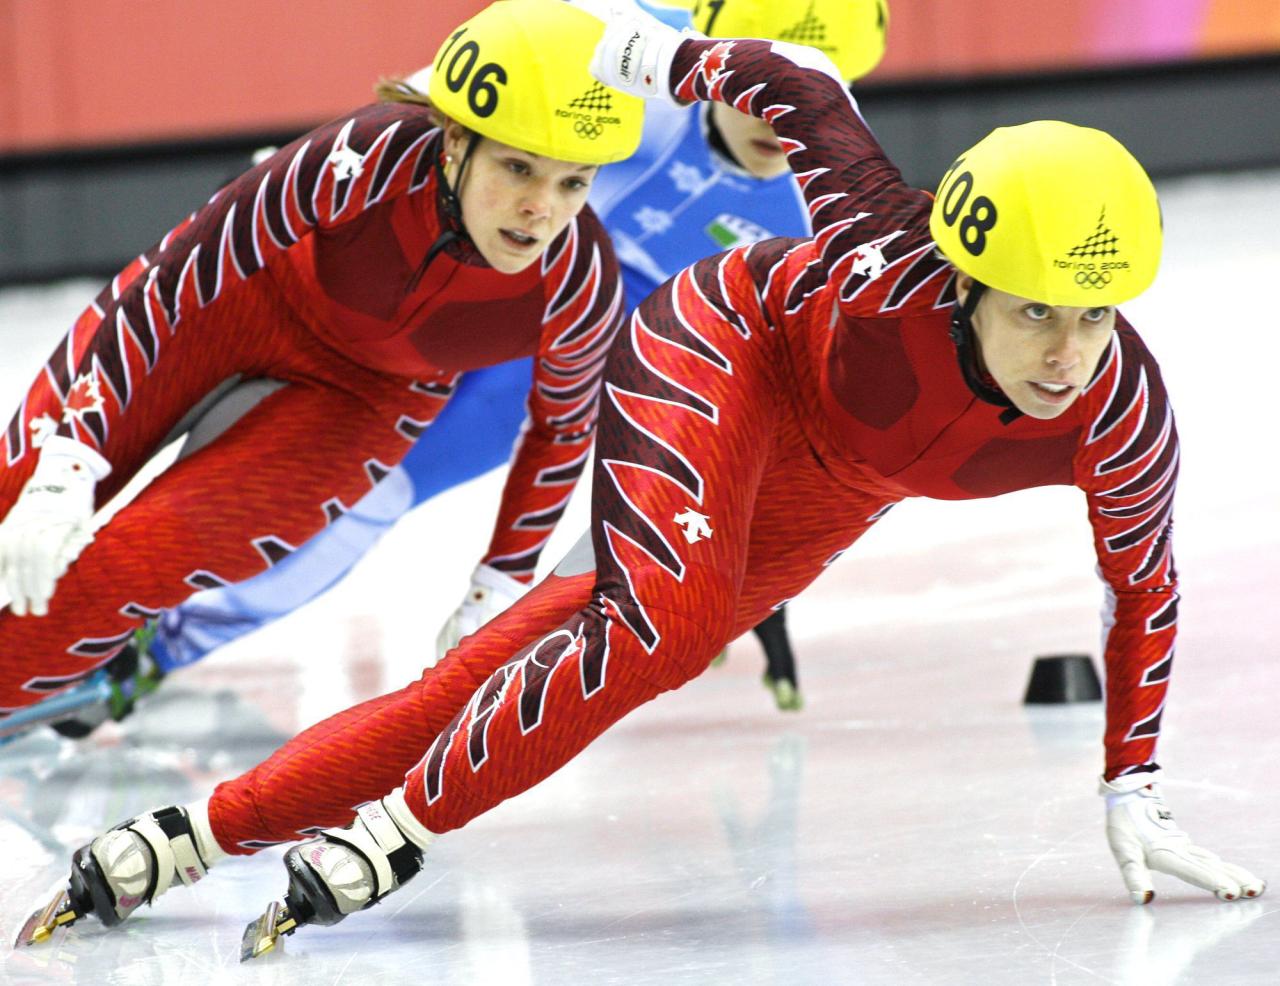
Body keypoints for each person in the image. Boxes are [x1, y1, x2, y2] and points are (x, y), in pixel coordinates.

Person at [19, 0, 1264, 957]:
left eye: (1096, 319)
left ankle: (195, 831)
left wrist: (1131, 774)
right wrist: (608, 45)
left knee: (527, 647)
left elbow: (1138, 585)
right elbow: (787, 81)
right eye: (1037, 312)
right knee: (652, 629)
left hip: (786, 455)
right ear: (965, 279)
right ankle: (386, 832)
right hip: (719, 345)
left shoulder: (1117, 410)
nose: (1065, 354)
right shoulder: (880, 250)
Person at [4, 0, 889, 739]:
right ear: (710, 58)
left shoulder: (821, 214)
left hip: (528, 357)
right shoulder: (622, 46)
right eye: (761, 93)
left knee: (358, 508)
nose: (786, 125)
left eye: (815, 100)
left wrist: (732, 549)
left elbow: (743, 401)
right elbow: (451, 100)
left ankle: (152, 655)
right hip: (387, 275)